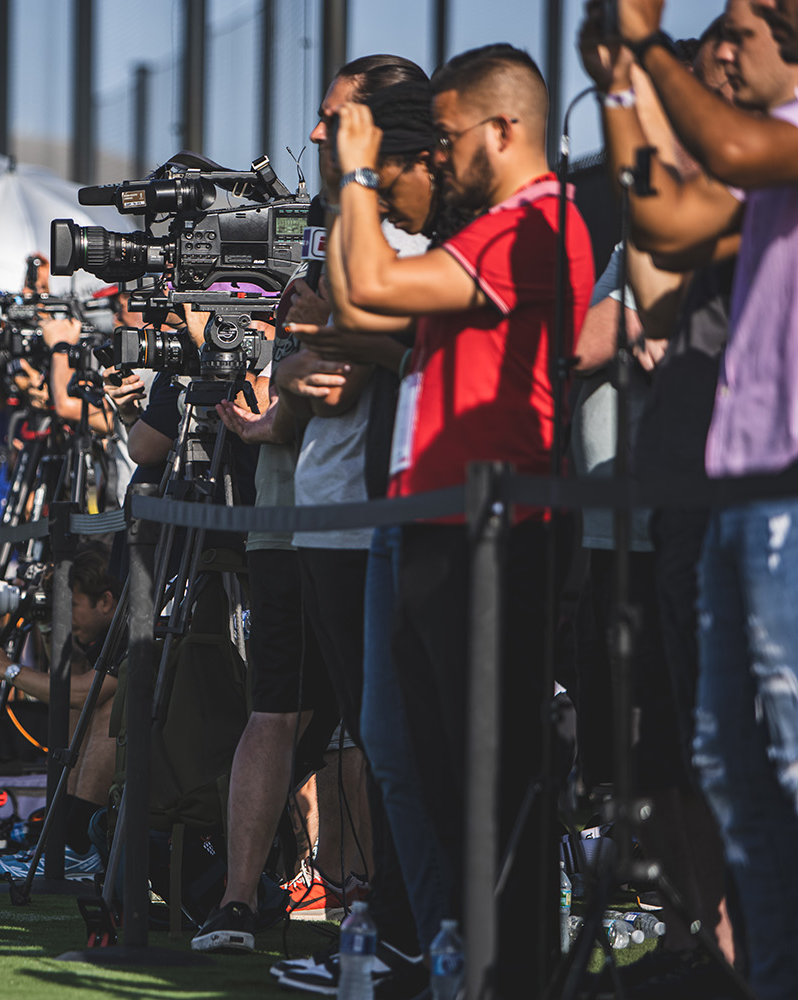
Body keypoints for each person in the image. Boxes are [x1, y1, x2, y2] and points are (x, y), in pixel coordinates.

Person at [334, 42, 596, 993]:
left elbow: (376, 284)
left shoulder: (537, 221)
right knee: (427, 760)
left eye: (448, 138)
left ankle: (499, 966)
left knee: (482, 768)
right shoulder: (486, 230)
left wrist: (359, 171)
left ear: (504, 129)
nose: (438, 158)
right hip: (433, 520)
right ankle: (459, 956)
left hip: (487, 532)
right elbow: (360, 296)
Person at [191, 58, 432, 984]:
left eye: (336, 119)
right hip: (315, 515)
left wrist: (317, 350)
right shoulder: (341, 228)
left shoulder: (397, 232)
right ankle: (275, 905)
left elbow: (337, 368)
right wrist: (289, 381)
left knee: (385, 735)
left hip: (380, 515)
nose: (318, 135)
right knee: (314, 717)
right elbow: (308, 374)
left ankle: (394, 926)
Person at [608, 0, 798, 994]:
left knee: (789, 759)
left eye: (740, 26)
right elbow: (664, 224)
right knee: (731, 765)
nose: (721, 47)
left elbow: (721, 141)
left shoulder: (775, 138)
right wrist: (619, 89)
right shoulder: (756, 159)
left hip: (786, 499)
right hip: (735, 488)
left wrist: (646, 45)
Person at [0, 543, 121, 878]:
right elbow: (74, 679)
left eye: (70, 606)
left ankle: (77, 846)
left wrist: (8, 669)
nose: (65, 616)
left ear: (105, 601)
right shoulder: (109, 626)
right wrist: (45, 622)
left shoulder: (135, 619)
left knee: (109, 704)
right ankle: (62, 834)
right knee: (86, 701)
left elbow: (88, 691)